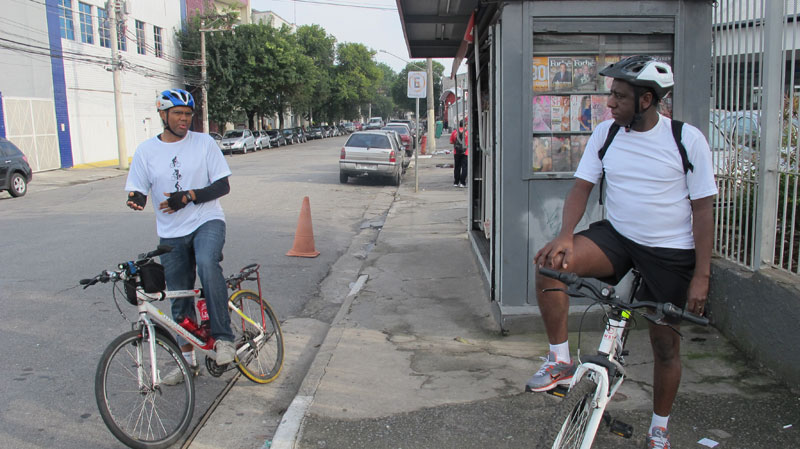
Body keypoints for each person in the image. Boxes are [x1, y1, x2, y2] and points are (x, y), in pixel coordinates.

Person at [527, 56, 717, 449]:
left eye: (619, 96)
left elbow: (702, 209)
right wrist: (565, 235)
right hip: (619, 237)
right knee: (551, 264)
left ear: (647, 100)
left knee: (665, 346)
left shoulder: (686, 139)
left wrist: (701, 275)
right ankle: (560, 360)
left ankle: (658, 429)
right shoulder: (606, 134)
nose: (609, 103)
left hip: (670, 251)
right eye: (610, 94)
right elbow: (582, 186)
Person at [125, 89, 236, 384]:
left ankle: (224, 339)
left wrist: (189, 196)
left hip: (206, 220)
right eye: (178, 114)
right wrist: (136, 198)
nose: (185, 119)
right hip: (171, 233)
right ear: (163, 115)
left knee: (207, 264)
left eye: (188, 114)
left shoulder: (204, 143)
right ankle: (187, 362)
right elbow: (138, 187)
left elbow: (222, 186)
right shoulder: (146, 151)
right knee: (178, 297)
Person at [449, 120, 468, 187]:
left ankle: (456, 182)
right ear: (465, 125)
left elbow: (451, 141)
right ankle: (462, 183)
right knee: (464, 167)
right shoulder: (468, 133)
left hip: (456, 152)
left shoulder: (454, 132)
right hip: (465, 152)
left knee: (457, 167)